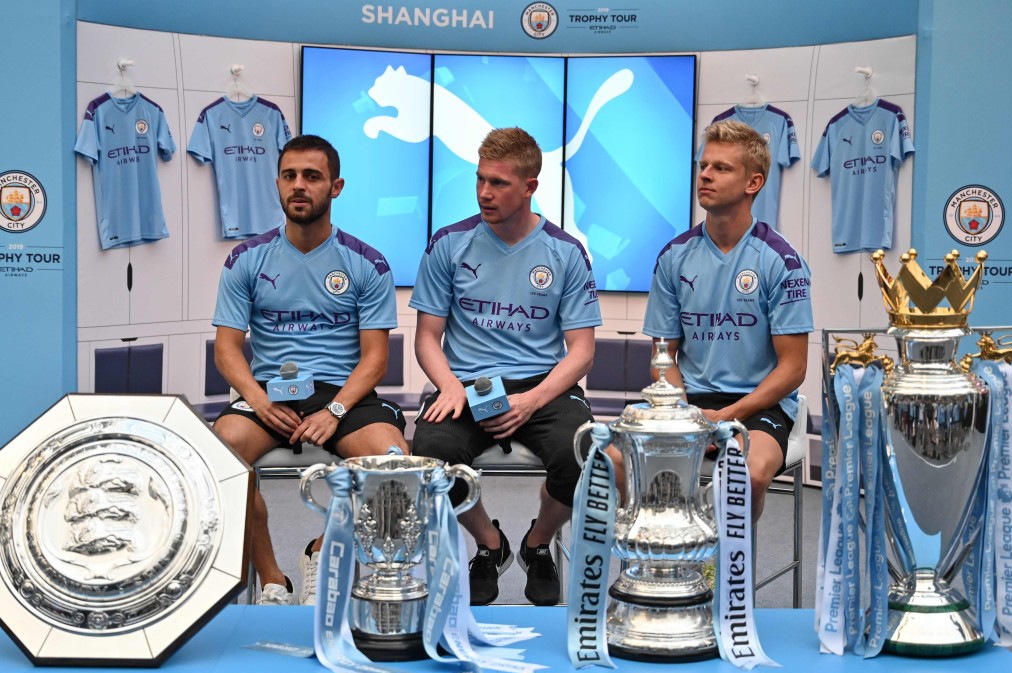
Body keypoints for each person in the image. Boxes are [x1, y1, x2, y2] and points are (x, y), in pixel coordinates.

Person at [212, 134, 408, 605]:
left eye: (312, 177)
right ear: (278, 184)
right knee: (221, 452)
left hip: (342, 392)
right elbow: (227, 350)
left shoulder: (367, 262)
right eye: (289, 176)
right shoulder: (246, 259)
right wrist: (259, 401)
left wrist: (337, 409)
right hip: (268, 393)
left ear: (335, 187)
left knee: (392, 461)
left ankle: (322, 553)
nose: (299, 186)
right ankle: (273, 579)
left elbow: (375, 358)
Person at [410, 127, 602, 606]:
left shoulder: (565, 252)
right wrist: (450, 387)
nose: (484, 193)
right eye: (480, 180)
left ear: (531, 187)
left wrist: (531, 400)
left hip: (544, 385)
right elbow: (427, 338)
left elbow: (581, 350)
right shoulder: (449, 244)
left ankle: (537, 544)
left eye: (498, 183)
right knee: (432, 460)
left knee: (581, 457)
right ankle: (489, 544)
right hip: (468, 383)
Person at [643, 120, 813, 522]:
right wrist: (684, 415)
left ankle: (724, 578)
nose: (705, 175)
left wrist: (726, 416)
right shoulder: (674, 256)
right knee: (614, 459)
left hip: (759, 406)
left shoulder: (781, 261)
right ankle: (661, 563)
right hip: (687, 404)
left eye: (721, 168)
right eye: (704, 165)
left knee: (746, 475)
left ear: (753, 183)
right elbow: (663, 356)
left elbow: (794, 368)